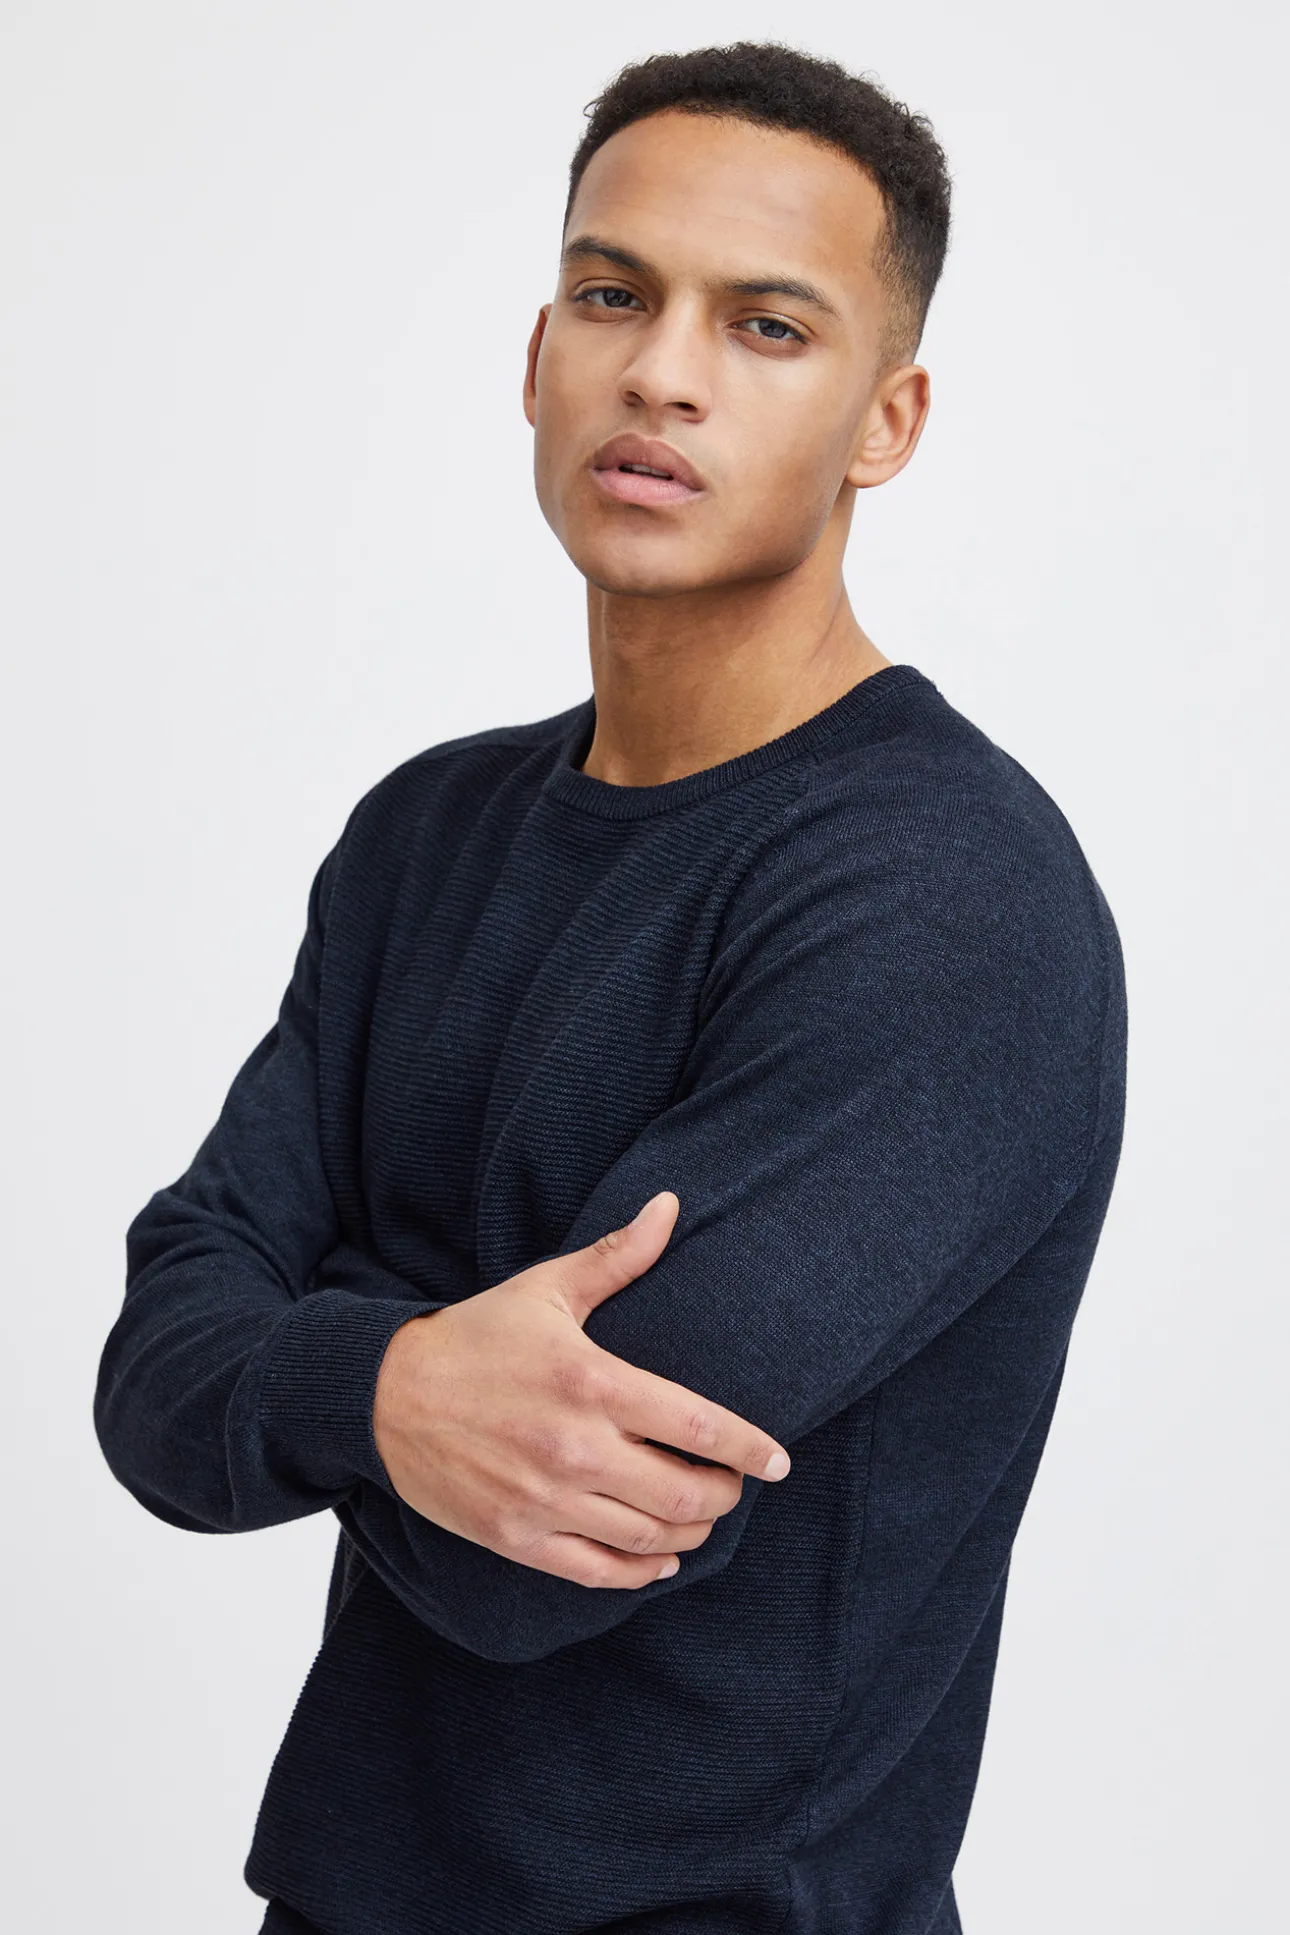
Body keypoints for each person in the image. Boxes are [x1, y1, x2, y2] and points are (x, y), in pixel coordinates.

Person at [93, 39, 1127, 1935]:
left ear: (885, 420)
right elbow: (150, 1375)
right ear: (534, 356)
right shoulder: (425, 833)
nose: (660, 371)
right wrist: (401, 1377)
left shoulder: (942, 896)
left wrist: (307, 1340)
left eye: (766, 327)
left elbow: (534, 1556)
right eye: (610, 295)